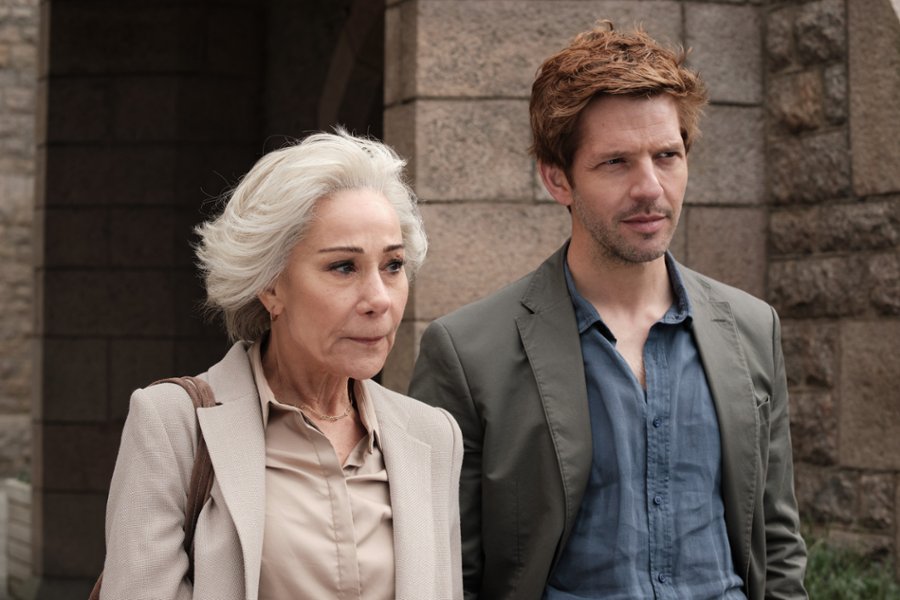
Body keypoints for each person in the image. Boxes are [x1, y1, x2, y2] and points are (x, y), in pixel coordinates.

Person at [409, 21, 808, 600]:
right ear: (557, 179)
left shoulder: (753, 328)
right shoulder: (468, 354)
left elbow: (777, 543)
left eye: (666, 156)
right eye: (616, 162)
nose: (650, 188)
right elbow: (448, 573)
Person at [100, 130, 463, 600]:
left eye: (393, 265)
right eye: (344, 267)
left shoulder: (433, 437)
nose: (379, 299)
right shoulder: (172, 425)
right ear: (270, 286)